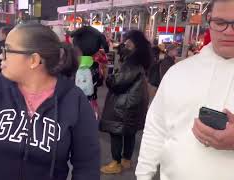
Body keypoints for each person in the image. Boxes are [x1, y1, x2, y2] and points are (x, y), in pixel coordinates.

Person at [0, 23, 100, 180]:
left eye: (7, 50)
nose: (0, 56)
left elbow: (87, 165)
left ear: (33, 60)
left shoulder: (74, 100)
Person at [136, 0, 234, 180]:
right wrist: (143, 175)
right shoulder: (178, 72)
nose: (229, 31)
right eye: (221, 23)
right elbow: (155, 128)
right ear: (209, 22)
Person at [99, 30, 152, 174]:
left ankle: (116, 162)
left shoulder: (131, 63)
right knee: (130, 132)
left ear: (135, 44)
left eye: (129, 41)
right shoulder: (141, 61)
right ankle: (126, 160)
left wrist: (109, 77)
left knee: (116, 132)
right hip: (134, 104)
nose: (125, 43)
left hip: (124, 106)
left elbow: (117, 82)